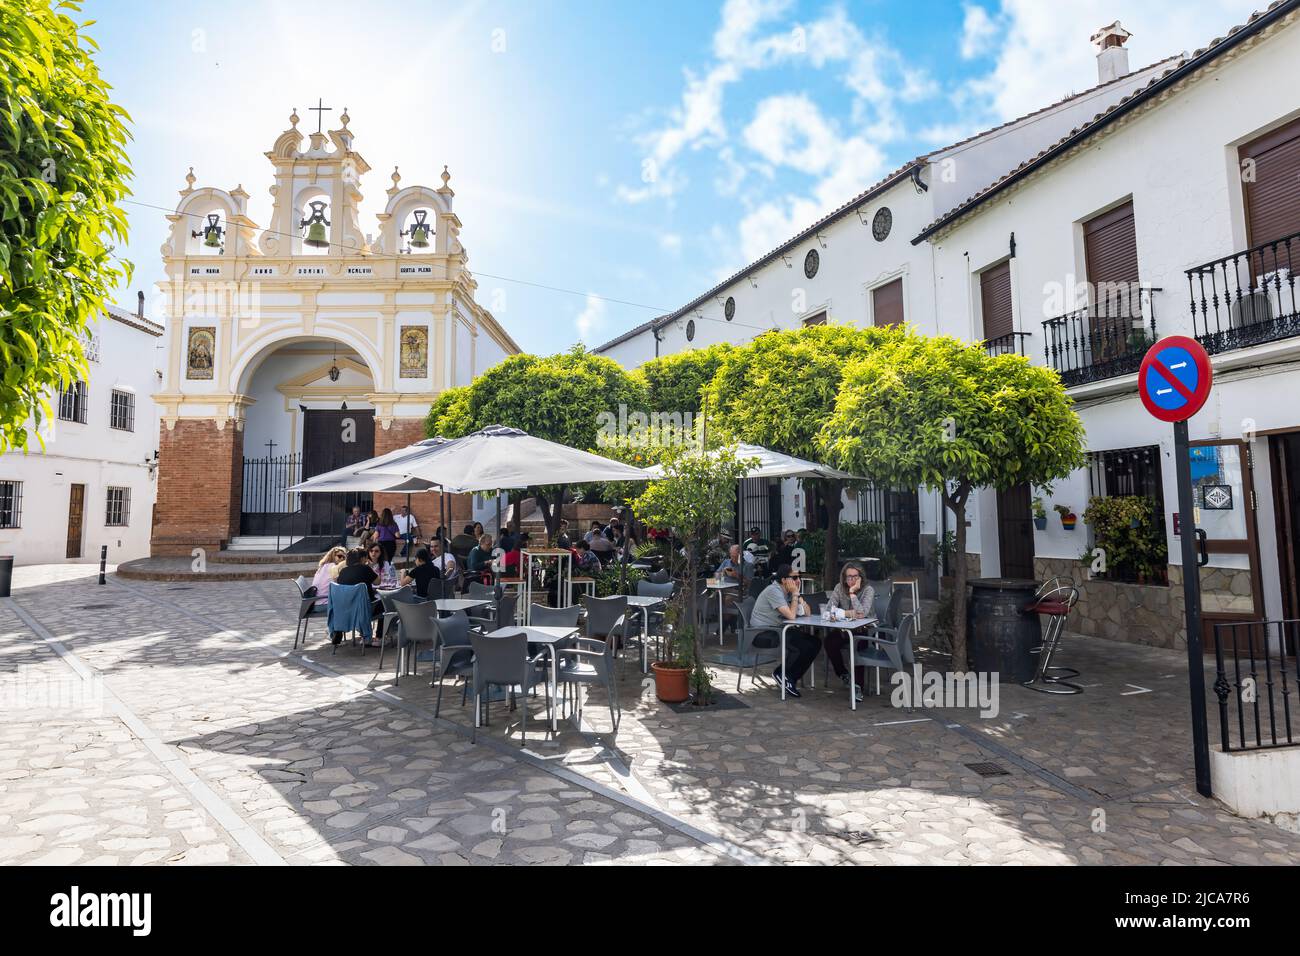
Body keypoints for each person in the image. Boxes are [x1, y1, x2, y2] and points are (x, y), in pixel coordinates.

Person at [749, 564, 819, 697]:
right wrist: (795, 595)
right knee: (800, 646)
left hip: (778, 630)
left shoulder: (788, 592)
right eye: (794, 577)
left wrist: (797, 596)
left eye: (799, 577)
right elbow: (792, 616)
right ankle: (782, 674)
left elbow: (807, 613)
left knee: (815, 642)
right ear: (783, 580)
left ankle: (789, 677)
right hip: (762, 634)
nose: (798, 580)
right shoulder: (773, 591)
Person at [823, 561, 876, 702]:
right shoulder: (839, 588)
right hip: (846, 628)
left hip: (866, 629)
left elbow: (862, 613)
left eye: (855, 576)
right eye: (848, 577)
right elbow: (828, 610)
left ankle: (858, 686)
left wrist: (852, 594)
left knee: (858, 647)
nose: (851, 580)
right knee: (829, 642)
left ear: (861, 577)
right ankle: (843, 674)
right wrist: (847, 613)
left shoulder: (868, 590)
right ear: (844, 577)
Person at [331, 548, 381, 645]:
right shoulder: (365, 568)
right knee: (386, 605)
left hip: (346, 609)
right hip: (365, 609)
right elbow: (378, 581)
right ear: (362, 559)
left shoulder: (343, 571)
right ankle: (380, 637)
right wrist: (370, 567)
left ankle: (339, 630)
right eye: (366, 558)